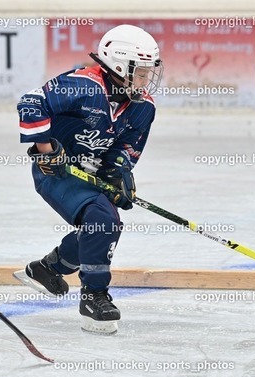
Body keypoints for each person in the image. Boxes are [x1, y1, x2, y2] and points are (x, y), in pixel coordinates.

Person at [14, 25, 163, 334]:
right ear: (119, 66)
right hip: (57, 171)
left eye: (149, 72)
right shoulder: (82, 85)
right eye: (140, 71)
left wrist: (119, 172)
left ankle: (48, 269)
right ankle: (94, 296)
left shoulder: (143, 107)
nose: (146, 80)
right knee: (103, 221)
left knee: (102, 226)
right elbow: (31, 103)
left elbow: (126, 147)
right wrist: (47, 149)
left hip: (92, 175)